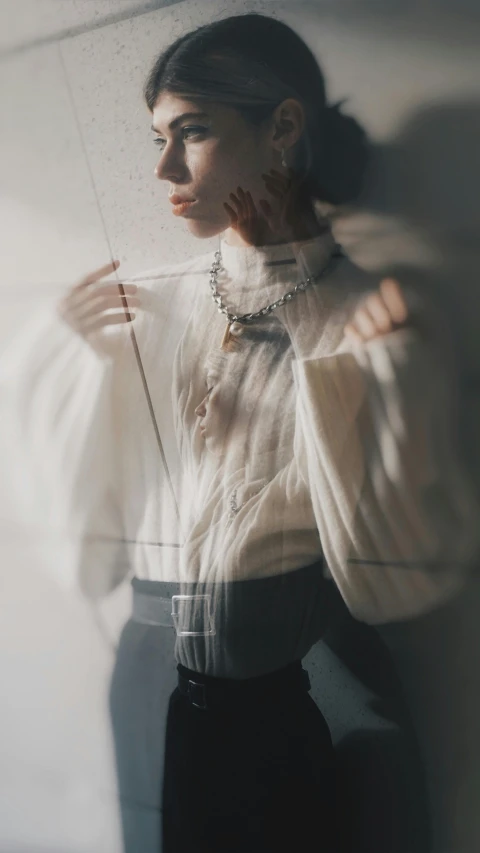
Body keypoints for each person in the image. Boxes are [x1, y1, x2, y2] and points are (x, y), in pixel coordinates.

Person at [3, 12, 479, 853]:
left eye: (191, 132)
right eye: (158, 136)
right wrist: (70, 366)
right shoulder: (147, 305)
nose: (161, 169)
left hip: (284, 699)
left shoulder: (372, 315)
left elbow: (387, 573)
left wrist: (333, 350)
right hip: (146, 679)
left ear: (283, 127)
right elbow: (83, 540)